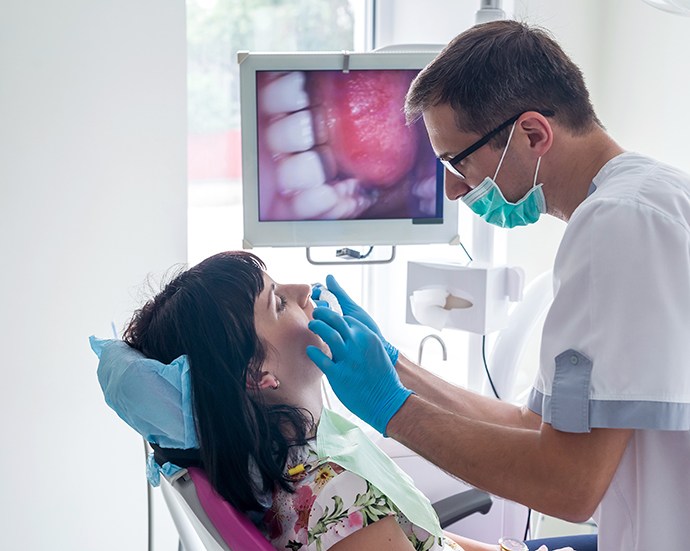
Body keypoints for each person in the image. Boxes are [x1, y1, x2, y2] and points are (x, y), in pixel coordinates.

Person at [306, 19, 690, 551]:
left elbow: (569, 484)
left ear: (533, 134)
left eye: (457, 160)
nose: (452, 186)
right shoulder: (644, 199)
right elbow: (534, 425)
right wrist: (396, 366)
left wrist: (392, 408)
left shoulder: (617, 227)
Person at [96, 250, 546, 551]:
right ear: (257, 375)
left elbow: (427, 537)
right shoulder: (337, 497)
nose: (303, 290)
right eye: (277, 302)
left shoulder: (306, 459)